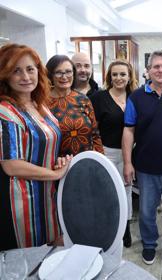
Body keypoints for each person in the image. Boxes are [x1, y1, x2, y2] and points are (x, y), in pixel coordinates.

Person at [0, 44, 72, 250]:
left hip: (47, 193)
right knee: (27, 261)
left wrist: (58, 162)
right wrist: (56, 174)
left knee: (51, 254)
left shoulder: (40, 105)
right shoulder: (5, 111)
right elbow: (12, 166)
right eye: (16, 70)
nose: (26, 76)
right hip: (20, 200)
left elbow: (47, 146)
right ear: (5, 75)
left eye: (30, 69)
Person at [122, 50, 162, 264]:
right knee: (147, 211)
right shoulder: (136, 97)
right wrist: (128, 163)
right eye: (156, 66)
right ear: (148, 71)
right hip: (146, 167)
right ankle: (149, 245)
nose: (160, 70)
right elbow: (128, 130)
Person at [91, 59, 138, 248]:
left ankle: (125, 230)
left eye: (123, 74)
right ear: (109, 77)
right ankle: (109, 229)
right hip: (107, 152)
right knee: (108, 192)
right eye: (115, 74)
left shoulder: (135, 96)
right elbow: (92, 129)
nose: (119, 78)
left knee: (126, 190)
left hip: (130, 154)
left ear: (129, 77)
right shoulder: (98, 98)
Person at [46, 55, 104, 157]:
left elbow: (95, 134)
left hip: (86, 161)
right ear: (51, 75)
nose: (64, 77)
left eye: (68, 72)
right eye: (59, 72)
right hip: (58, 165)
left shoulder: (83, 99)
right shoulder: (43, 103)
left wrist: (100, 161)